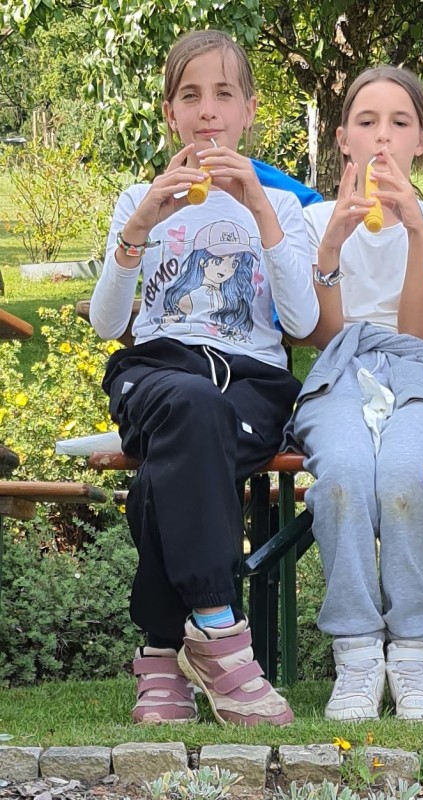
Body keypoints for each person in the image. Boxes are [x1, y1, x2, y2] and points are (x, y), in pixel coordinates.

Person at [90, 29, 319, 726]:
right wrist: (141, 224)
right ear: (170, 113)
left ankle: (162, 650)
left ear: (250, 110)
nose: (208, 110)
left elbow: (303, 319)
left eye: (224, 94)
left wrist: (256, 209)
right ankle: (219, 634)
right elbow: (107, 323)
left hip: (251, 383)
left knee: (178, 456)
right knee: (188, 405)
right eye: (190, 95)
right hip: (157, 371)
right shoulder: (140, 196)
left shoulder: (279, 206)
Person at [285, 66, 423, 721]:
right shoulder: (309, 220)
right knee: (342, 476)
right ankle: (357, 655)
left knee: (406, 478)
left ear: (421, 139)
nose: (381, 139)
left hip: (416, 371)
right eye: (366, 123)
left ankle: (412, 654)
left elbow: (420, 334)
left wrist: (415, 232)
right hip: (337, 370)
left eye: (398, 123)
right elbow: (325, 334)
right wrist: (333, 240)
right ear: (342, 140)